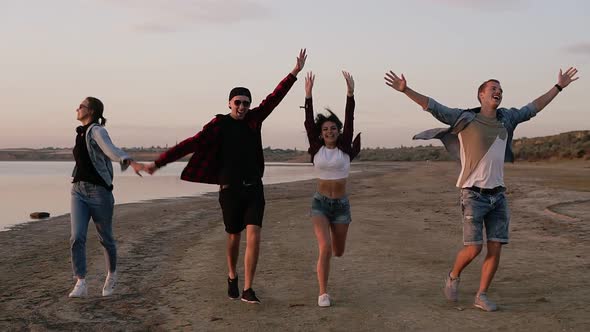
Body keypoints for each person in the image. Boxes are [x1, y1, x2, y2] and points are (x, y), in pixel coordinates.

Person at [384, 67, 579, 311]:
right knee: (474, 248)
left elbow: (534, 107)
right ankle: (453, 275)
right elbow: (434, 107)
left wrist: (558, 87)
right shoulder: (465, 118)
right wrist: (406, 90)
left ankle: (481, 295)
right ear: (481, 95)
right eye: (493, 89)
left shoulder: (507, 119)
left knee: (495, 247)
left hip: (498, 195)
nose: (498, 92)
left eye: (500, 90)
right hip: (472, 194)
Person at [143, 49, 307, 304]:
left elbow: (274, 98)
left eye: (246, 102)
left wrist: (294, 73)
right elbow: (190, 144)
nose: (242, 106)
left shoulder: (254, 120)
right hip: (230, 190)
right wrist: (158, 163)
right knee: (234, 237)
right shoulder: (218, 126)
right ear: (229, 103)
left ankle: (248, 289)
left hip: (254, 189)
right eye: (238, 102)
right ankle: (232, 275)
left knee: (254, 235)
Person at [69, 97, 143, 298]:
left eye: (81, 106)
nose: (77, 108)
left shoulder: (97, 131)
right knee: (77, 237)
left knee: (106, 238)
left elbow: (110, 150)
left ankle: (111, 274)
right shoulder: (81, 133)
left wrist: (127, 160)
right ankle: (81, 282)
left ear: (91, 111)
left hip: (99, 192)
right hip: (78, 190)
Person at [303, 71, 361, 307]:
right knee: (325, 248)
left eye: (333, 129)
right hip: (320, 203)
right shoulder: (317, 149)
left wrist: (350, 94)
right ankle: (323, 293)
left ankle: (327, 276)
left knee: (338, 251)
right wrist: (308, 95)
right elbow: (308, 122)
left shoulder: (344, 149)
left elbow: (350, 118)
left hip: (341, 206)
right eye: (325, 129)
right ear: (321, 133)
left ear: (338, 131)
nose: (329, 132)